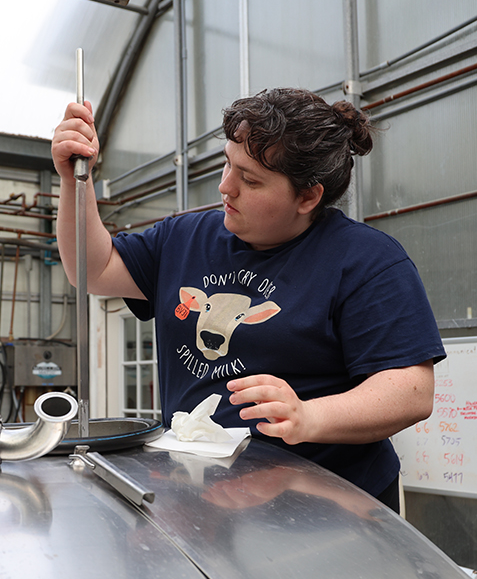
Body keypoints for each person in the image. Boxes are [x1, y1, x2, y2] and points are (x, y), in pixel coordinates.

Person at [51, 88, 446, 512]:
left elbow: (410, 391)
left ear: (308, 197)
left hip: (326, 508)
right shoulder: (184, 239)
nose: (225, 187)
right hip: (201, 492)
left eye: (251, 179)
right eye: (227, 163)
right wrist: (76, 180)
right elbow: (92, 269)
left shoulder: (366, 261)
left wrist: (308, 416)